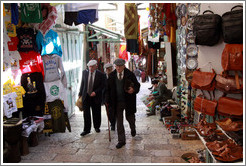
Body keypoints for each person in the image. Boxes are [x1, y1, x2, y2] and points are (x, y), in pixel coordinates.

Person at [105, 58, 140, 149]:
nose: (118, 68)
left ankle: (133, 128)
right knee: (119, 122)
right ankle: (121, 140)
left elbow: (137, 85)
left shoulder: (130, 74)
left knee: (130, 118)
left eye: (120, 66)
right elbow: (107, 89)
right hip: (116, 102)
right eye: (116, 66)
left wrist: (133, 89)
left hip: (128, 101)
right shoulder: (111, 75)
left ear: (124, 66)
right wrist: (106, 100)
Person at [78, 59, 106, 136]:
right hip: (86, 96)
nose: (90, 68)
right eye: (89, 67)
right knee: (86, 113)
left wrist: (96, 92)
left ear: (95, 66)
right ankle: (86, 129)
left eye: (92, 67)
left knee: (96, 112)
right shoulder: (85, 73)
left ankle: (97, 127)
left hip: (95, 97)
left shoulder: (101, 75)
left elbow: (103, 86)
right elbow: (83, 83)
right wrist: (80, 93)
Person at [103, 63, 116, 131]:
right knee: (108, 112)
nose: (108, 70)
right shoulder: (104, 76)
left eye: (109, 69)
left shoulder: (114, 76)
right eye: (107, 69)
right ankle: (111, 123)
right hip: (106, 98)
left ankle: (113, 124)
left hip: (113, 97)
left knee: (112, 112)